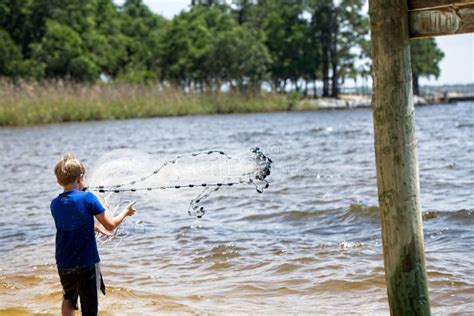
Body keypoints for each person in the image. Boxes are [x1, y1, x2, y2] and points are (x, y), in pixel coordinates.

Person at [51, 153, 136, 316]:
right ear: (80, 178)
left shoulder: (55, 203)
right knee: (89, 305)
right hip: (87, 262)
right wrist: (126, 212)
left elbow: (71, 226)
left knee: (68, 298)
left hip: (64, 262)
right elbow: (110, 225)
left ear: (58, 180)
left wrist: (96, 228)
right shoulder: (88, 197)